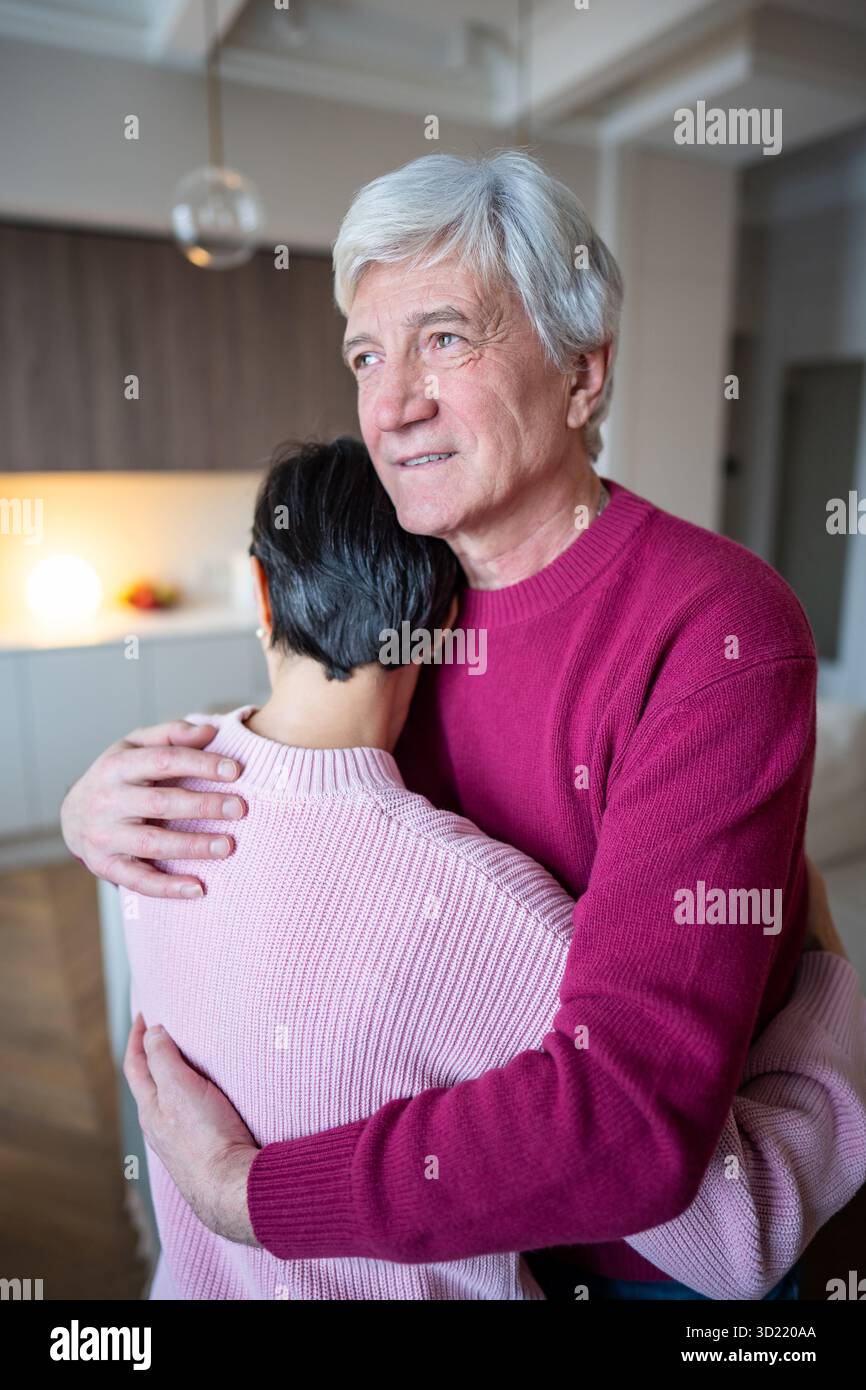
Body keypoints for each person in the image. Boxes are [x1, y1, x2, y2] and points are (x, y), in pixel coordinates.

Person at [62, 151, 866, 1297]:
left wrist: (252, 1193)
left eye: (443, 338)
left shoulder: (716, 627)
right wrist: (102, 801)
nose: (391, 404)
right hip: (447, 1250)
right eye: (364, 354)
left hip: (643, 1257)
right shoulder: (403, 594)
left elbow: (628, 1119)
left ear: (583, 374)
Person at [123, 436, 865, 1301]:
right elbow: (742, 1238)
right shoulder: (476, 908)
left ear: (259, 589)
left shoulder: (146, 804)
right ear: (445, 627)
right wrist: (827, 974)